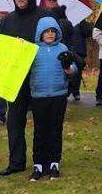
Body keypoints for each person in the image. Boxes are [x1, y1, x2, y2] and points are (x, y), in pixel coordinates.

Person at [0, 0, 46, 175]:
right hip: (15, 78)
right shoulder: (7, 21)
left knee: (41, 121)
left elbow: (52, 39)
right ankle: (16, 162)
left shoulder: (43, 16)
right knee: (15, 122)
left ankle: (41, 160)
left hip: (38, 75)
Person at [25, 16, 78, 181]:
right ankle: (39, 164)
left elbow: (73, 69)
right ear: (40, 33)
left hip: (58, 95)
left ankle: (54, 162)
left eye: (52, 31)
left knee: (55, 129)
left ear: (57, 33)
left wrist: (68, 67)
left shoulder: (62, 48)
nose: (49, 34)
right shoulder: (33, 50)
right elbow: (22, 66)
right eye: (46, 31)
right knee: (40, 130)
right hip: (38, 96)